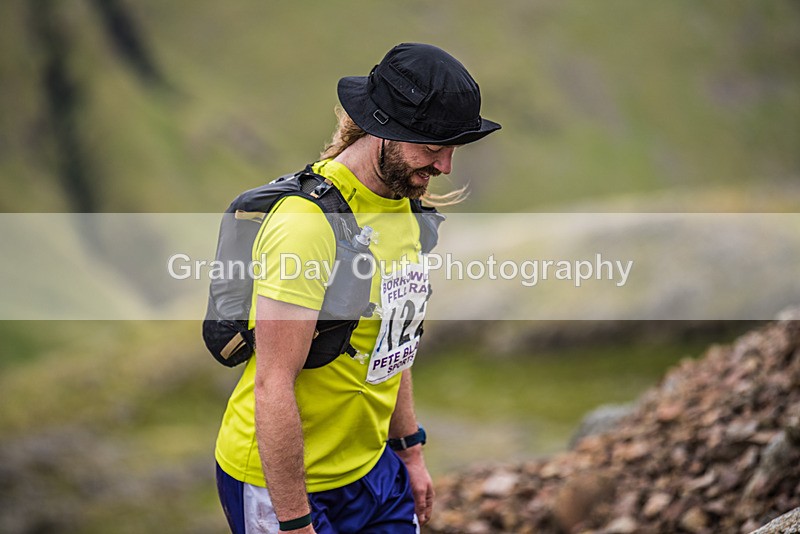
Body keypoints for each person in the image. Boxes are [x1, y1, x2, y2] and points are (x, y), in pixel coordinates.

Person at [214, 42, 500, 534]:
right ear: (382, 130)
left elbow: (394, 343)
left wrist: (410, 451)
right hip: (284, 485)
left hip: (373, 472)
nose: (445, 166)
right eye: (432, 147)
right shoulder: (306, 225)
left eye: (453, 148)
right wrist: (295, 521)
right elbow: (272, 382)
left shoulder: (406, 209)